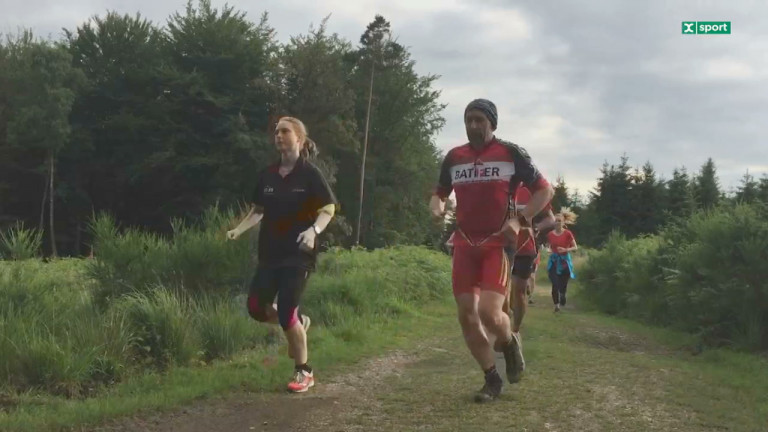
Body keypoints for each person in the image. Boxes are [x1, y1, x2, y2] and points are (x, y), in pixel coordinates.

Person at [430, 99, 553, 402]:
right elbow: (439, 193)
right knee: (467, 316)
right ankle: (491, 378)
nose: (473, 126)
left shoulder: (511, 153)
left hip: (497, 244)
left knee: (488, 311)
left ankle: (509, 342)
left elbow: (545, 190)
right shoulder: (454, 157)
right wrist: (437, 206)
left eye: (479, 120)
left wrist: (520, 220)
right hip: (463, 243)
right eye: (468, 120)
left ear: (492, 123)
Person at [227, 116, 337, 393]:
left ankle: (304, 372)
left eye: (285, 131)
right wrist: (238, 230)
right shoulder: (268, 175)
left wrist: (314, 231)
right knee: (255, 307)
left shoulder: (310, 174)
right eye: (276, 132)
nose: (278, 135)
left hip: (299, 254)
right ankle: (298, 325)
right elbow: (258, 211)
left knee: (288, 308)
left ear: (298, 139)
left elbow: (329, 209)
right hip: (270, 253)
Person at [503, 185, 556, 317]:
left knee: (518, 291)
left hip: (524, 247)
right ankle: (503, 325)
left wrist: (536, 228)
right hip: (501, 245)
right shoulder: (499, 186)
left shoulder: (532, 191)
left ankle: (515, 329)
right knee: (501, 289)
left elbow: (551, 219)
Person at [547, 209, 578, 312]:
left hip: (564, 262)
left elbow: (575, 247)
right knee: (555, 283)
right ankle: (556, 305)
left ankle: (562, 295)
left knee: (562, 285)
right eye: (555, 221)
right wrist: (550, 250)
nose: (557, 223)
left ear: (563, 222)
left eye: (559, 221)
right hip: (554, 262)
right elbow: (549, 246)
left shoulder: (568, 234)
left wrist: (565, 249)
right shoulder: (550, 234)